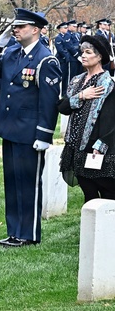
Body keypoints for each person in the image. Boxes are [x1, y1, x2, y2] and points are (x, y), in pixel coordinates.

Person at [0, 8, 62, 247]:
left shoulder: (46, 59)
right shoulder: (12, 52)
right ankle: (14, 231)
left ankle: (29, 233)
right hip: (10, 128)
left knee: (28, 184)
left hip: (30, 131)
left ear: (36, 30)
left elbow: (49, 102)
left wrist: (44, 134)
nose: (15, 30)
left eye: (21, 27)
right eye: (14, 27)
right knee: (13, 182)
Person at [59, 35, 115, 201]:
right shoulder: (77, 81)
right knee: (88, 192)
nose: (83, 55)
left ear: (99, 57)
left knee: (107, 192)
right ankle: (90, 226)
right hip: (76, 146)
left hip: (96, 147)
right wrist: (82, 95)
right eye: (82, 52)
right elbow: (63, 107)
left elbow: (110, 119)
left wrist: (100, 145)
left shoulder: (107, 83)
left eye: (88, 52)